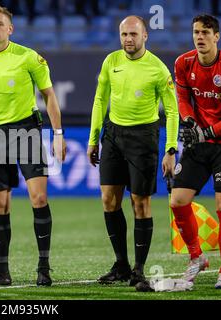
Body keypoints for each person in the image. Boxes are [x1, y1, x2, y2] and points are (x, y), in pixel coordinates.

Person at [0, 5, 66, 287]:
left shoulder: (28, 57)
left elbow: (49, 95)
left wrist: (58, 133)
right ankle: (2, 273)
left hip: (27, 129)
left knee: (39, 199)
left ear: (10, 29)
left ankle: (44, 268)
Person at [87, 15, 179, 287]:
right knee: (109, 200)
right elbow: (100, 99)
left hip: (143, 138)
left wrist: (170, 148)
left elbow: (172, 111)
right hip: (113, 135)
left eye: (133, 35)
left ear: (145, 36)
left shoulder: (158, 69)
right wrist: (94, 138)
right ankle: (122, 265)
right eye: (124, 34)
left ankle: (139, 269)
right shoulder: (111, 61)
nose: (128, 39)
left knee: (140, 203)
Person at [171, 14, 221, 289]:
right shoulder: (183, 63)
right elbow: (183, 98)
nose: (200, 37)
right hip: (199, 144)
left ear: (217, 36)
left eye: (206, 32)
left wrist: (209, 131)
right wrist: (189, 121)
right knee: (178, 201)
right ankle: (197, 257)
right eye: (196, 32)